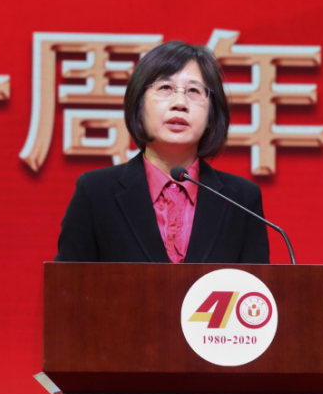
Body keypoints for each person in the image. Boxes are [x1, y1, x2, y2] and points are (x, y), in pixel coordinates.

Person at [55, 41, 269, 264]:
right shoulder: (96, 193)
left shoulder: (241, 200)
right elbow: (67, 282)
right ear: (139, 105)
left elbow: (255, 284)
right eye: (165, 88)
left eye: (193, 91)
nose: (180, 103)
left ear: (211, 115)